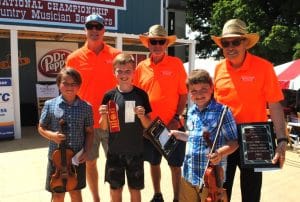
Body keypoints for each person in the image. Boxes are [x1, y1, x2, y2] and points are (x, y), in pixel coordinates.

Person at [211, 19, 287, 202]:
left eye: (236, 41)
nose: (231, 47)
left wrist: (282, 140)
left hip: (254, 138)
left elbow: (275, 105)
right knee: (221, 191)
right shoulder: (218, 68)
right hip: (224, 139)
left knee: (251, 194)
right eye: (225, 43)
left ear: (245, 42)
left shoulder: (264, 68)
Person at [66, 13, 120, 202]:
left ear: (104, 30)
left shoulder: (116, 56)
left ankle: (115, 198)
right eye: (91, 27)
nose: (94, 30)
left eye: (98, 27)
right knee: (90, 162)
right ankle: (96, 199)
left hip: (113, 119)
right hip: (86, 121)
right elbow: (68, 90)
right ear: (85, 30)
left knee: (115, 163)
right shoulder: (74, 58)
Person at [133, 24, 188, 202]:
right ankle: (158, 195)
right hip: (150, 127)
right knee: (154, 163)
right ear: (148, 44)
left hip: (172, 126)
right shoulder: (141, 66)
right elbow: (137, 97)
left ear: (166, 44)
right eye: (153, 41)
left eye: (161, 41)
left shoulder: (176, 64)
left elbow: (183, 94)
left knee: (175, 165)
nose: (157, 45)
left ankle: (177, 198)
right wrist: (141, 124)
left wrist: (175, 117)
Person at [169, 69, 239, 202]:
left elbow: (234, 142)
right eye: (193, 91)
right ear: (189, 93)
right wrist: (179, 134)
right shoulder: (191, 111)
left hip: (210, 178)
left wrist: (219, 153)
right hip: (188, 174)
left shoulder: (223, 111)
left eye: (203, 89)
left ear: (212, 88)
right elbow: (193, 136)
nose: (198, 94)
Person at [99, 53, 152, 202]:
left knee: (135, 190)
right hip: (114, 152)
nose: (124, 75)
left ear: (133, 72)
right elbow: (103, 127)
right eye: (119, 71)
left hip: (136, 151)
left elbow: (148, 125)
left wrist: (142, 116)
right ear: (114, 72)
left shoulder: (141, 95)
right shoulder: (109, 96)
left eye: (127, 71)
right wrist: (103, 116)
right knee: (115, 191)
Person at [38, 67, 94, 202]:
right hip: (56, 159)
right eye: (65, 83)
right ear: (58, 84)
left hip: (76, 158)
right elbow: (41, 127)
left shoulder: (86, 107)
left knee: (76, 193)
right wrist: (52, 136)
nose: (69, 87)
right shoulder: (49, 104)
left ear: (79, 86)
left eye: (73, 84)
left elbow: (89, 132)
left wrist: (87, 151)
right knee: (57, 195)